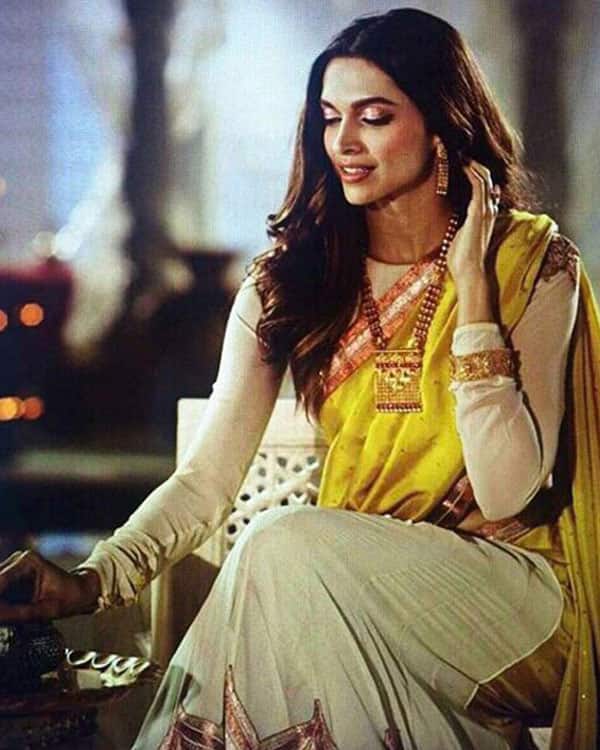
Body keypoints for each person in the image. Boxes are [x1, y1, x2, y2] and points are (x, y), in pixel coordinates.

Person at [1, 8, 599, 749]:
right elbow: (207, 481)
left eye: (374, 118)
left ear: (442, 128)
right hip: (342, 592)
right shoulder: (290, 282)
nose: (343, 142)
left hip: (515, 606)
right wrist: (94, 580)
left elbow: (509, 492)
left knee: (283, 549)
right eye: (329, 118)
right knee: (289, 571)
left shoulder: (530, 265)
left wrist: (472, 291)